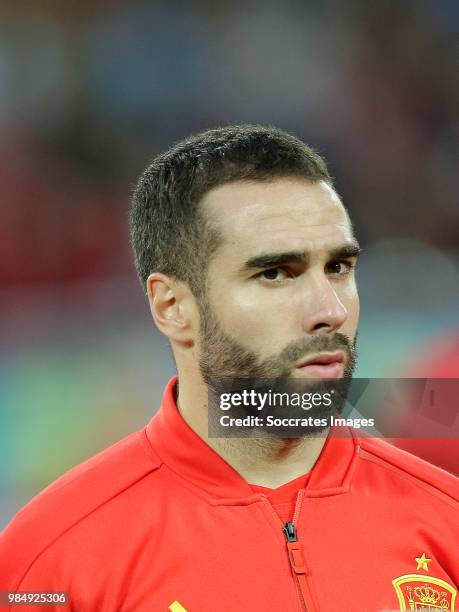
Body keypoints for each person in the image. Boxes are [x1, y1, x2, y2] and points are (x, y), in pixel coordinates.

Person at [1, 125, 457, 611]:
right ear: (173, 306)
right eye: (275, 273)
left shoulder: (445, 520)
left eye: (338, 268)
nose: (330, 309)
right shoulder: (49, 557)